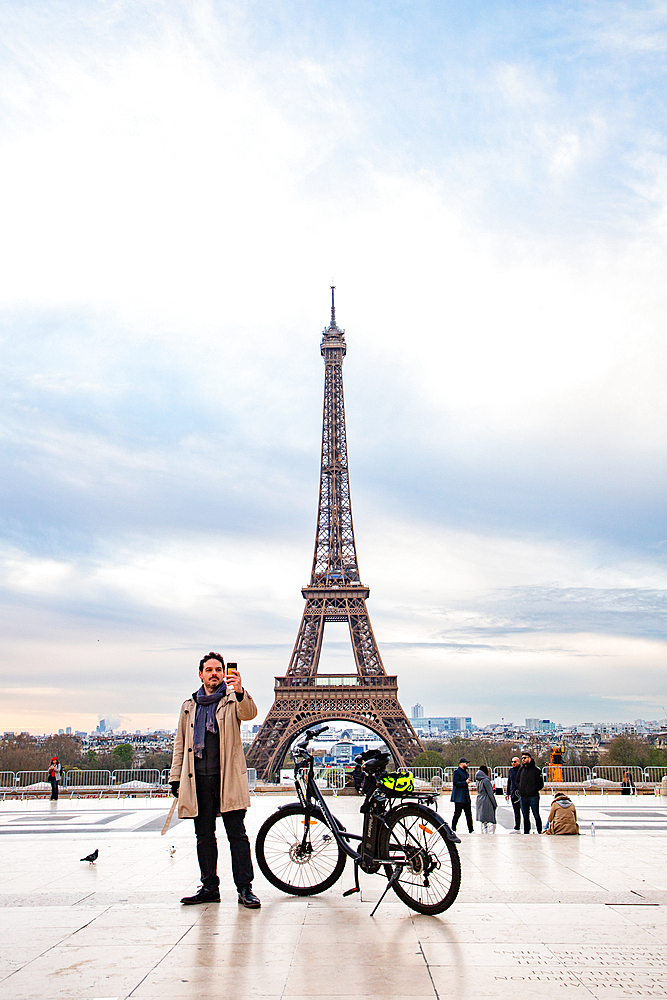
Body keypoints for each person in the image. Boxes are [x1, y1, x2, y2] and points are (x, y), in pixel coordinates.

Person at [169, 652, 260, 907]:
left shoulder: (233, 700)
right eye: (209, 670)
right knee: (204, 836)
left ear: (224, 673)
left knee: (237, 835)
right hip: (198, 779)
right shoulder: (189, 706)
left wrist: (240, 691)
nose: (214, 673)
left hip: (227, 778)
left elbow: (250, 714)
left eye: (218, 669)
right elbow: (181, 744)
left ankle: (245, 888)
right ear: (201, 674)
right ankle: (209, 886)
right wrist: (175, 778)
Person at [517, 751, 544, 834]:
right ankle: (526, 831)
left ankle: (539, 830)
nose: (523, 760)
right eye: (522, 758)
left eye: (525, 758)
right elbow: (517, 780)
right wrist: (520, 789)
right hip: (523, 796)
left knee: (536, 814)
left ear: (529, 758)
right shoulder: (521, 770)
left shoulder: (536, 770)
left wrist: (534, 789)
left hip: (533, 796)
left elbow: (541, 784)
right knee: (525, 816)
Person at [450, 757, 474, 833]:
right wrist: (465, 783)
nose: (467, 765)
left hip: (465, 796)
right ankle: (453, 828)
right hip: (459, 796)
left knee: (468, 814)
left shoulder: (465, 772)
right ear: (461, 763)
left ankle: (471, 829)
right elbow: (455, 783)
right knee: (457, 813)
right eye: (466, 763)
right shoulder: (457, 772)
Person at [475, 765, 497, 833]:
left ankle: (483, 829)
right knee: (488, 817)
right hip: (486, 800)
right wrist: (494, 803)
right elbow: (490, 792)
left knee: (482, 817)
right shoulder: (486, 780)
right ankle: (488, 831)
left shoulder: (478, 780)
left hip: (480, 798)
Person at [506, 756, 522, 832]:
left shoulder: (522, 770)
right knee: (516, 811)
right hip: (513, 793)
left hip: (521, 793)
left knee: (524, 811)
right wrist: (507, 793)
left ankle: (526, 827)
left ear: (519, 762)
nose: (513, 763)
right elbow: (509, 782)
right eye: (512, 762)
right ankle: (517, 826)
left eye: (515, 762)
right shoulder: (511, 771)